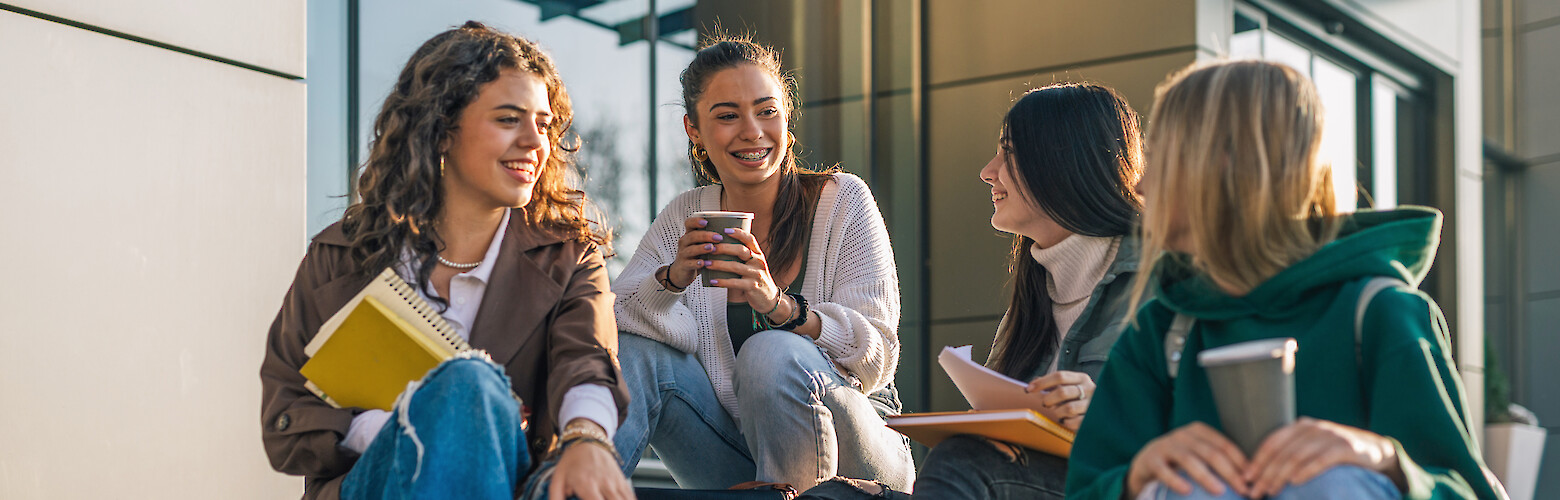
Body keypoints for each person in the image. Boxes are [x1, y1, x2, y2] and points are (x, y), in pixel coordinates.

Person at [1066, 60, 1507, 500]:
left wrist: (1385, 462)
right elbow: (1086, 490)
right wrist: (1137, 478)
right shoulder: (1157, 330)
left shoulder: (1381, 311)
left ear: (1224, 167)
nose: (1140, 187)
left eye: (1159, 158)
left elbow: (1466, 491)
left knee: (1335, 481)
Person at [259, 22, 633, 500]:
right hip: (378, 484)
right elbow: (285, 419)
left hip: (515, 486)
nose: (536, 143)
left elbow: (586, 360)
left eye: (543, 123)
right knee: (467, 386)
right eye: (507, 119)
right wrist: (411, 428)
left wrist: (587, 436)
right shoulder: (341, 257)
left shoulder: (570, 256)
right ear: (440, 131)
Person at [802, 83, 1147, 500]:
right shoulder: (1036, 295)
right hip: (1008, 483)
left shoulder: (1159, 283)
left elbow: (1207, 425)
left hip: (1104, 487)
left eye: (1009, 153)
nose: (988, 170)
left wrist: (1106, 413)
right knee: (831, 496)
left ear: (1063, 160)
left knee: (961, 460)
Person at [609, 36, 915, 492]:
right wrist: (671, 280)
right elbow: (617, 320)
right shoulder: (684, 216)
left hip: (861, 452)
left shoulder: (843, 201)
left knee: (769, 351)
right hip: (744, 462)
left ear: (785, 120)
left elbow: (877, 357)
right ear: (694, 129)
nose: (752, 131)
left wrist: (780, 307)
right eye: (727, 115)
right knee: (638, 354)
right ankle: (573, 486)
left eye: (766, 111)